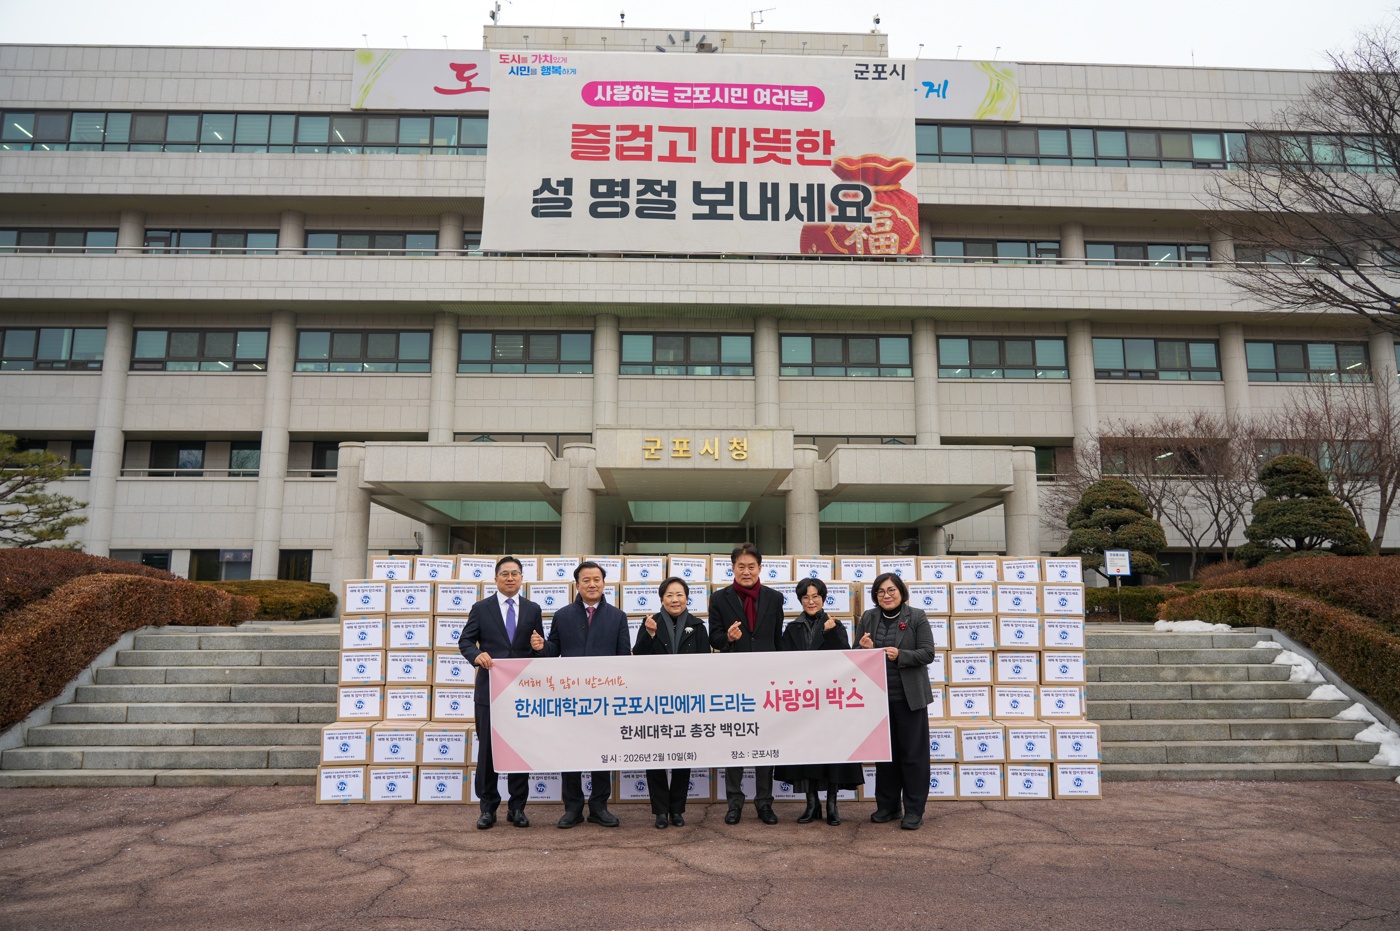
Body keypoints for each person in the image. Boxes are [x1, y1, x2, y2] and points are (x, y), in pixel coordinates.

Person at [533, 560, 631, 828]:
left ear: (603, 583)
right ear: (577, 585)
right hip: (571, 697)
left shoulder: (617, 616)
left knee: (602, 751)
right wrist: (542, 646)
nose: (592, 584)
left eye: (596, 579)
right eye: (586, 580)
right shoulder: (563, 615)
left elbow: (624, 658)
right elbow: (554, 651)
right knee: (571, 752)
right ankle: (573, 807)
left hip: (604, 698)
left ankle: (599, 806)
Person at [458, 556, 544, 830]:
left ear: (521, 578)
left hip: (521, 693)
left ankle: (517, 807)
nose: (510, 578)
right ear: (496, 579)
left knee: (519, 750)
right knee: (488, 752)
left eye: (515, 573)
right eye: (504, 573)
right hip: (489, 691)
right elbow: (465, 641)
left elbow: (537, 648)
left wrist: (539, 644)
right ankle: (488, 808)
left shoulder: (532, 609)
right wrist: (476, 655)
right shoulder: (481, 608)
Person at [775, 577, 863, 826]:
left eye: (815, 596)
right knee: (807, 753)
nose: (811, 601)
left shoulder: (836, 625)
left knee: (832, 753)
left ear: (823, 598)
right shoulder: (792, 629)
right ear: (800, 600)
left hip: (830, 701)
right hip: (803, 701)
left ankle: (832, 804)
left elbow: (844, 660)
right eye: (805, 597)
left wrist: (830, 633)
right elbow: (788, 663)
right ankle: (811, 803)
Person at [709, 542, 785, 825]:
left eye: (751, 566)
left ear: (760, 568)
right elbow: (713, 639)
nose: (746, 571)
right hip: (734, 681)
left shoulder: (775, 598)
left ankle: (765, 802)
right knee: (735, 740)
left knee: (765, 742)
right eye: (740, 566)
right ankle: (734, 802)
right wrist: (728, 638)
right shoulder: (719, 599)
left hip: (766, 681)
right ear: (732, 569)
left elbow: (777, 641)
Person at [854, 571, 935, 831]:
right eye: (880, 591)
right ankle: (888, 806)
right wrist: (862, 649)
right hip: (879, 698)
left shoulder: (916, 617)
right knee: (885, 757)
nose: (886, 595)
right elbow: (855, 653)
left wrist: (901, 655)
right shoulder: (869, 617)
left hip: (910, 698)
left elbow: (927, 653)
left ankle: (913, 810)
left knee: (913, 756)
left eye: (891, 590)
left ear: (901, 592)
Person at [632, 576, 709, 829]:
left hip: (686, 701)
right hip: (655, 701)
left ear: (687, 598)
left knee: (682, 757)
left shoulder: (698, 626)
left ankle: (677, 810)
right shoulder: (650, 623)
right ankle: (659, 811)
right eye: (669, 595)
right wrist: (651, 635)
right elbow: (639, 657)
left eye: (679, 595)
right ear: (661, 599)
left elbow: (704, 664)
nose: (675, 600)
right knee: (654, 757)